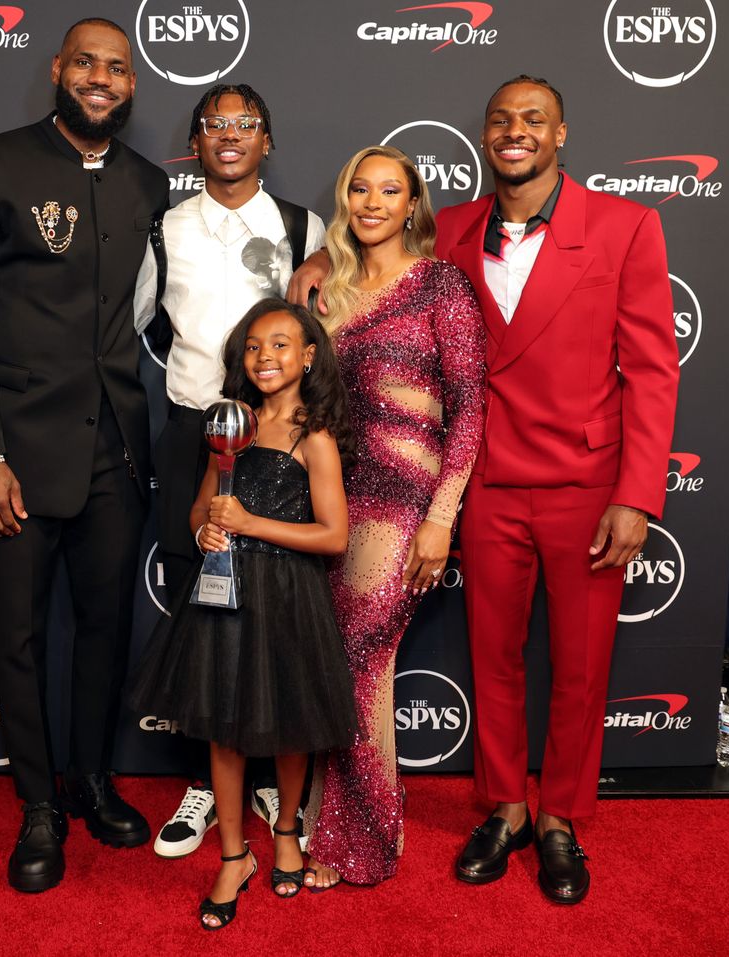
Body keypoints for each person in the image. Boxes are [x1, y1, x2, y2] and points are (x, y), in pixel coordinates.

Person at [290, 76, 680, 903]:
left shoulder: (625, 225)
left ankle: (560, 820)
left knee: (579, 666)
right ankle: (504, 808)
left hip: (586, 483)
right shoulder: (454, 227)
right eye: (502, 120)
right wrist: (323, 256)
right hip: (487, 485)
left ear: (561, 133)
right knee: (494, 659)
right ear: (485, 135)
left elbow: (651, 369)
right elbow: (377, 248)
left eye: (533, 119)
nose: (515, 132)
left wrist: (638, 493)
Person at [0, 18, 168, 893]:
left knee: (105, 630)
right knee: (20, 636)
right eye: (88, 64)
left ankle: (92, 780)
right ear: (59, 71)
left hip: (115, 447)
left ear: (130, 85)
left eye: (118, 68)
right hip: (18, 453)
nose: (102, 79)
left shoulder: (148, 182)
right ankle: (37, 806)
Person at [131, 84, 326, 859]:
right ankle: (211, 786)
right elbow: (135, 326)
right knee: (200, 606)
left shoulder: (301, 226)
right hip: (195, 434)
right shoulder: (166, 227)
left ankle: (274, 784)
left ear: (267, 140)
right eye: (215, 125)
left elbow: (326, 318)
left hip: (278, 442)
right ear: (196, 142)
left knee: (276, 607)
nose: (231, 135)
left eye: (246, 124)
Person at [126, 299, 358, 929]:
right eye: (254, 347)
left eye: (281, 345)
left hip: (288, 596)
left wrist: (253, 524)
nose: (266, 358)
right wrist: (205, 532)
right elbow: (200, 511)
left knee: (290, 723)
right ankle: (233, 855)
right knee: (224, 728)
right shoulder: (231, 425)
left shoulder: (314, 435)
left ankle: (286, 832)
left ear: (309, 357)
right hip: (224, 596)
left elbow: (334, 535)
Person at [300, 146, 486, 889]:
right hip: (335, 500)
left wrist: (443, 515)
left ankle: (363, 838)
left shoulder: (441, 282)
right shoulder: (328, 291)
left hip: (407, 503)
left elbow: (470, 405)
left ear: (413, 205)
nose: (372, 203)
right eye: (359, 190)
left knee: (360, 658)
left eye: (390, 191)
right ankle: (339, 820)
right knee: (339, 660)